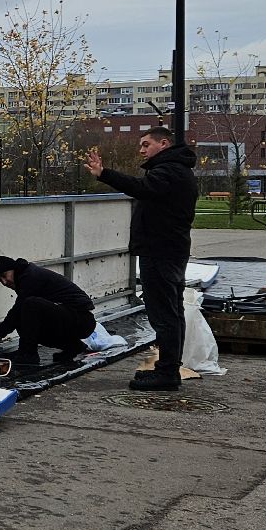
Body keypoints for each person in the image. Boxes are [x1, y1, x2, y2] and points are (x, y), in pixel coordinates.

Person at [84, 126, 198, 390]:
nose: (142, 149)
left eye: (146, 144)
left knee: (165, 315)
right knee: (171, 312)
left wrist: (104, 174)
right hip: (169, 251)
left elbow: (141, 187)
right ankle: (167, 369)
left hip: (160, 252)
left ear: (164, 144)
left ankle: (168, 373)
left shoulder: (168, 171)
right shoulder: (176, 170)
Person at [0, 255, 96, 365]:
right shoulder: (23, 277)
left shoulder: (30, 276)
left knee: (29, 305)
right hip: (74, 319)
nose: (4, 282)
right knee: (25, 320)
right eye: (0, 280)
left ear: (13, 269)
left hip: (82, 319)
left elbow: (17, 309)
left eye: (4, 276)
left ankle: (28, 355)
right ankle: (74, 347)